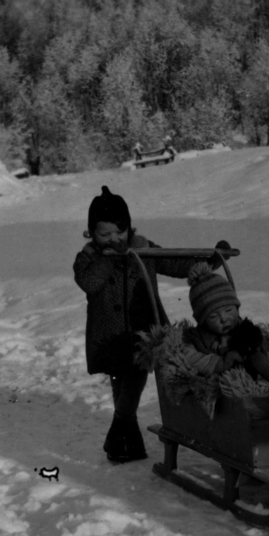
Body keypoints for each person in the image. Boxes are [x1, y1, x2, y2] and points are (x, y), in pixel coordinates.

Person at [73, 186, 195, 463]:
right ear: (92, 233)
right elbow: (89, 283)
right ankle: (128, 444)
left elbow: (175, 263)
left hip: (144, 334)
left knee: (135, 379)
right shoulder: (87, 259)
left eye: (120, 232)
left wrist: (207, 261)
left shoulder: (143, 249)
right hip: (110, 335)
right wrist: (107, 260)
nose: (114, 239)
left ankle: (118, 433)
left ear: (129, 228)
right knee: (121, 385)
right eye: (105, 235)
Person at [179, 263, 269, 381]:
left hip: (254, 386)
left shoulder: (248, 331)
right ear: (202, 321)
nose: (224, 319)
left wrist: (268, 366)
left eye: (229, 310)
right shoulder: (197, 338)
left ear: (236, 307)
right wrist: (222, 362)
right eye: (213, 316)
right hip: (221, 388)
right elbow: (189, 357)